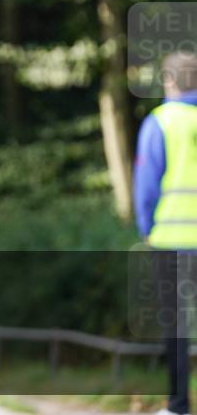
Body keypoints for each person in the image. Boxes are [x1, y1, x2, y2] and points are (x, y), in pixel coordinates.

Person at [134, 51, 197, 415]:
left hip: (171, 241)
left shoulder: (160, 122)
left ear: (170, 81)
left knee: (176, 327)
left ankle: (178, 406)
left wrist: (146, 229)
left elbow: (146, 187)